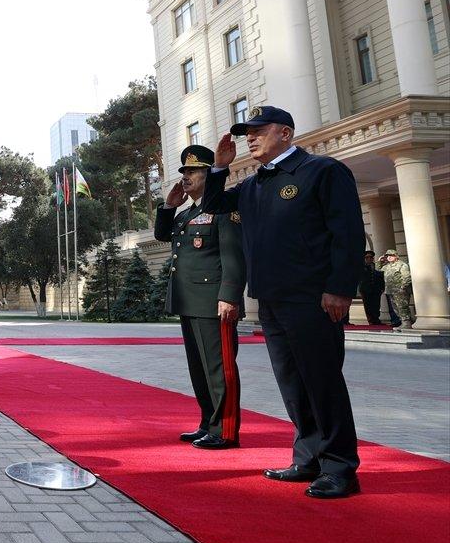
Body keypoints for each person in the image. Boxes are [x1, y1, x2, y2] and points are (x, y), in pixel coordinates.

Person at [203, 105, 363, 499]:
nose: (250, 138)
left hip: (313, 298)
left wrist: (340, 289)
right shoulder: (257, 183)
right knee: (292, 383)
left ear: (286, 134)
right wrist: (220, 169)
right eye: (247, 133)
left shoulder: (322, 171)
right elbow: (214, 205)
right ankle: (308, 458)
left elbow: (348, 233)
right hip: (272, 300)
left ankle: (341, 467)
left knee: (322, 381)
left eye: (259, 130)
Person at [154, 145, 245, 450]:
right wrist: (168, 207)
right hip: (188, 301)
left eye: (193, 171)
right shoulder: (189, 213)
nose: (186, 177)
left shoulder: (223, 209)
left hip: (213, 302)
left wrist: (229, 296)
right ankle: (208, 422)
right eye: (184, 172)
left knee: (219, 369)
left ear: (209, 174)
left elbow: (233, 256)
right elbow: (163, 235)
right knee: (199, 368)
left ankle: (225, 431)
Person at [380, 250, 416, 329]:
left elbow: (406, 277)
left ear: (396, 256)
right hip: (390, 290)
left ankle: (406, 323)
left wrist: (402, 287)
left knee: (402, 306)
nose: (389, 257)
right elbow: (378, 271)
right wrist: (380, 261)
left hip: (400, 291)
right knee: (395, 307)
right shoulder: (387, 266)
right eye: (387, 255)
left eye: (391, 255)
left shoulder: (402, 265)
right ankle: (404, 321)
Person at [358, 251, 385, 325]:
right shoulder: (362, 267)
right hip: (365, 289)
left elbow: (381, 277)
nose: (369, 259)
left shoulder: (376, 266)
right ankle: (371, 320)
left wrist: (382, 287)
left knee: (376, 305)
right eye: (367, 257)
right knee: (368, 306)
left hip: (376, 289)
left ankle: (376, 319)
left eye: (371, 257)